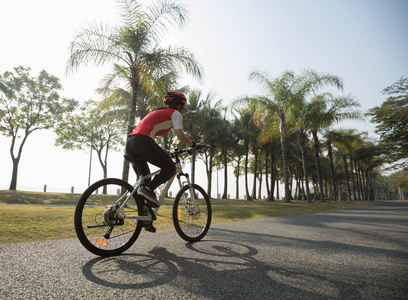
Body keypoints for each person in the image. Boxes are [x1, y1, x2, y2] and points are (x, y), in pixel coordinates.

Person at [125, 91, 196, 208]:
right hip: (143, 141)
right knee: (170, 168)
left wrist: (163, 151)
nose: (184, 111)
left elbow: (149, 136)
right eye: (184, 108)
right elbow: (181, 136)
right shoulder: (175, 113)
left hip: (131, 143)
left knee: (146, 185)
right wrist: (193, 145)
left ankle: (145, 220)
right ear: (179, 106)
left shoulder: (159, 112)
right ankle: (147, 190)